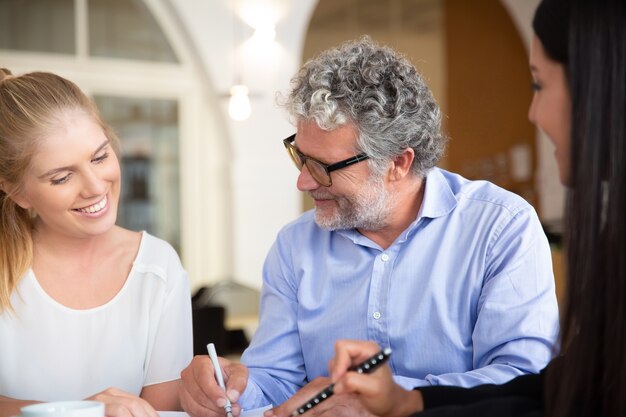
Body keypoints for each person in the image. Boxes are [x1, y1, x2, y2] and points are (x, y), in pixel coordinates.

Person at [179, 37, 560, 417]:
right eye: (301, 157)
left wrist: (387, 400)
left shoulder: (500, 228)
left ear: (398, 162)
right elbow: (277, 379)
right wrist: (231, 387)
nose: (304, 183)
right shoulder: (294, 246)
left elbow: (521, 378)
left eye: (323, 167)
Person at [301, 0, 626, 416]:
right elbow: (562, 389)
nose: (533, 114)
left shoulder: (502, 224)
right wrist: (407, 402)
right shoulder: (295, 244)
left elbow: (536, 382)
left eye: (538, 85)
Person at [0, 69, 193, 417]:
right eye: (62, 177)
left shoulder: (158, 269)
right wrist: (80, 411)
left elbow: (162, 412)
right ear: (17, 192)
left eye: (100, 157)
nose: (95, 186)